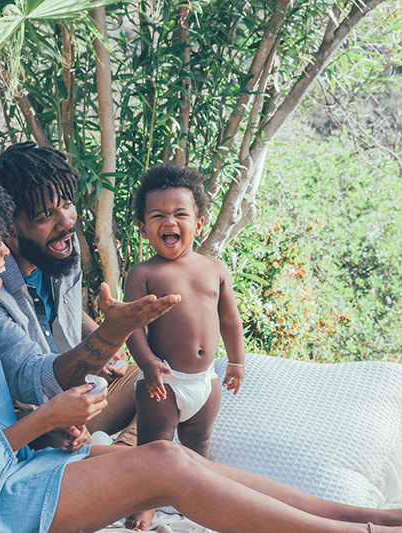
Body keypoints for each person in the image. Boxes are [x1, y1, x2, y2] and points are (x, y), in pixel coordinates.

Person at [0, 168, 402, 533]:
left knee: (187, 466)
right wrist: (45, 419)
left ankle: (383, 518)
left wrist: (50, 430)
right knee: (164, 465)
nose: (3, 256)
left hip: (10, 478)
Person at [0, 142, 142, 447]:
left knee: (161, 383)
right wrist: (111, 333)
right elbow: (33, 383)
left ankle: (118, 457)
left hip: (80, 398)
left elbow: (63, 309)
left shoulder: (61, 247)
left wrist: (100, 342)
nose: (67, 222)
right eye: (45, 216)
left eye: (67, 204)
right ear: (8, 230)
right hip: (35, 425)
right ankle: (115, 465)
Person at [122, 164, 246, 530]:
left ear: (199, 222)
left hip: (205, 383)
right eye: (157, 215)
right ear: (144, 228)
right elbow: (132, 327)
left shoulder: (214, 268)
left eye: (180, 214)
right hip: (164, 381)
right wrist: (146, 364)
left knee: (198, 447)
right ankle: (147, 503)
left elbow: (229, 321)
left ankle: (198, 500)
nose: (169, 222)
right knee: (154, 450)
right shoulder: (143, 273)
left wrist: (236, 362)